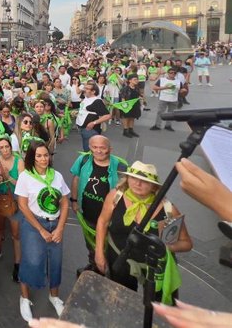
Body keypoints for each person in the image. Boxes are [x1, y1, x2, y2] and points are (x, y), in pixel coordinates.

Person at [94, 161, 192, 303]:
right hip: (119, 259)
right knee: (120, 300)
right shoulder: (115, 197)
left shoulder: (168, 209)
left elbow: (187, 243)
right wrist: (99, 253)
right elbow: (102, 222)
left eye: (144, 181)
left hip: (153, 267)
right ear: (127, 179)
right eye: (134, 178)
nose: (138, 184)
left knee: (155, 306)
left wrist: (163, 247)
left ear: (154, 186)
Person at [15, 140, 70, 323]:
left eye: (46, 155)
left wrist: (60, 227)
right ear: (32, 157)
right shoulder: (25, 177)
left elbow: (64, 202)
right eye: (38, 156)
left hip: (55, 224)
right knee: (31, 260)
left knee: (55, 261)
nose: (43, 159)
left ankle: (54, 296)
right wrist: (40, 230)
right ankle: (24, 298)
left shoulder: (57, 176)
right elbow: (22, 206)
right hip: (33, 225)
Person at [69, 135, 127, 275]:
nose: (98, 151)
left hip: (110, 219)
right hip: (87, 214)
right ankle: (94, 265)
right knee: (91, 243)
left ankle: (110, 273)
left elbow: (127, 191)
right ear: (90, 148)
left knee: (110, 248)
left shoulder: (120, 166)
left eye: (102, 148)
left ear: (110, 149)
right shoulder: (83, 160)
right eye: (95, 147)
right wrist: (74, 200)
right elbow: (76, 179)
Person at [0, 136, 24, 282]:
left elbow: (22, 184)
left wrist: (8, 177)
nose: (5, 150)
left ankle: (18, 263)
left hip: (13, 200)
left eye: (7, 146)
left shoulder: (19, 161)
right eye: (1, 147)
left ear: (11, 146)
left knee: (16, 234)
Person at [75, 82, 110, 151]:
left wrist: (93, 123)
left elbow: (107, 116)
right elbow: (86, 110)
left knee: (89, 151)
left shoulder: (97, 101)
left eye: (87, 89)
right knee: (86, 148)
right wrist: (77, 112)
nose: (84, 90)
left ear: (93, 91)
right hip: (83, 128)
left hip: (91, 130)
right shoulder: (86, 98)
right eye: (85, 88)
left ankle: (91, 161)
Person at [150, 68, 183, 132]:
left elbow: (181, 90)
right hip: (163, 98)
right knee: (160, 112)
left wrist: (183, 91)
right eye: (171, 72)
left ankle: (168, 125)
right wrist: (165, 87)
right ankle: (157, 125)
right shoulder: (162, 80)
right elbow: (154, 87)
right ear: (168, 73)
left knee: (171, 113)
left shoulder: (178, 82)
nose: (173, 74)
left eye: (174, 73)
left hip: (173, 99)